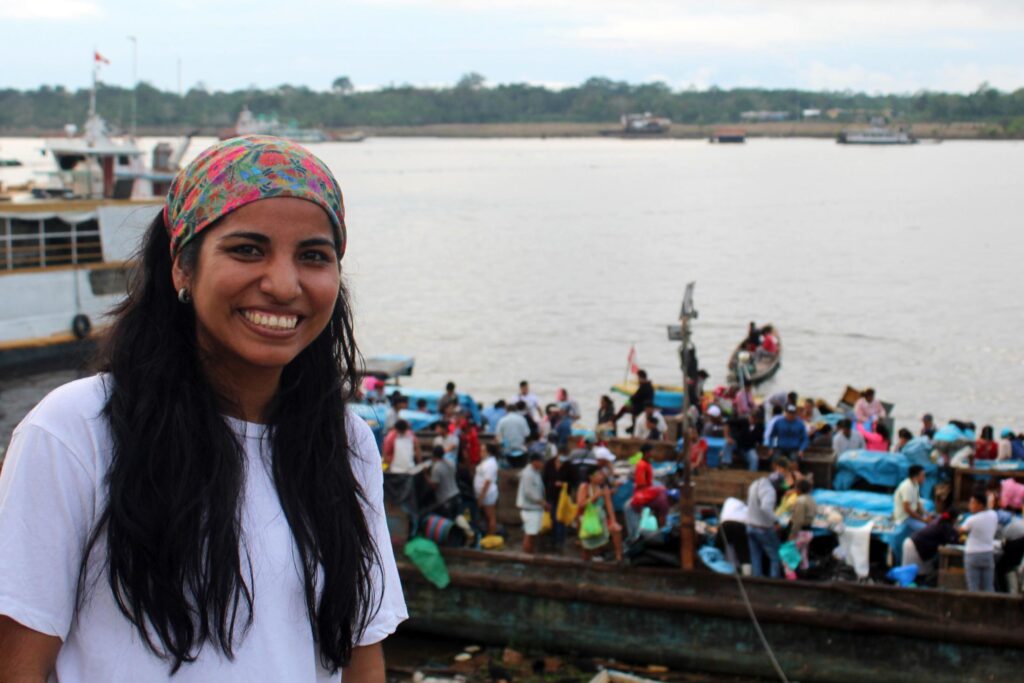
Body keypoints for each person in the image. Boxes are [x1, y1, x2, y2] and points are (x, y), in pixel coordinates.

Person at [0, 136, 405, 681]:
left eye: (313, 256)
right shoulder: (75, 431)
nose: (284, 285)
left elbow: (359, 654)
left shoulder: (346, 441)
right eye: (247, 250)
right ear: (182, 268)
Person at [746, 458, 790, 578]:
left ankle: (757, 579)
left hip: (750, 526)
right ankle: (773, 582)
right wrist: (777, 520)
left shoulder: (756, 483)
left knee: (756, 556)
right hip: (763, 528)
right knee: (775, 556)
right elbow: (766, 508)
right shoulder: (770, 490)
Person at [575, 468, 623, 562]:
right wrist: (594, 497)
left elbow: (609, 506)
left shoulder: (603, 488)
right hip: (587, 518)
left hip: (601, 517)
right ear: (590, 477)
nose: (601, 477)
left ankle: (619, 557)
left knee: (616, 530)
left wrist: (613, 521)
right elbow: (581, 504)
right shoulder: (584, 486)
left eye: (602, 474)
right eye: (598, 474)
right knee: (586, 548)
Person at [958, 492, 998, 592]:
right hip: (988, 554)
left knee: (973, 587)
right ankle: (989, 606)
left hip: (972, 555)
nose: (970, 506)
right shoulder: (993, 515)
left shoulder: (971, 520)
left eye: (972, 503)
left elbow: (961, 530)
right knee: (988, 587)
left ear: (980, 505)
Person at [517, 452, 549, 553]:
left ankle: (529, 552)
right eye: (541, 462)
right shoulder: (528, 474)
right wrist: (542, 502)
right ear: (535, 462)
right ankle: (527, 555)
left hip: (535, 508)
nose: (542, 464)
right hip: (530, 508)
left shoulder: (535, 472)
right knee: (530, 533)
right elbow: (529, 492)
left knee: (533, 533)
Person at [788, 479, 816, 571]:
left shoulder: (800, 501)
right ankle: (804, 577)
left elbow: (798, 521)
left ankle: (792, 579)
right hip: (808, 532)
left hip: (800, 533)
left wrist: (792, 535)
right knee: (803, 556)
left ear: (799, 489)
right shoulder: (811, 499)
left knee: (790, 558)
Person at [893, 465, 931, 533]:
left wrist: (926, 514)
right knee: (926, 529)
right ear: (916, 476)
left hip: (912, 514)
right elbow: (907, 509)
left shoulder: (915, 484)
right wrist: (922, 519)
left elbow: (918, 503)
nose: (924, 478)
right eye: (923, 476)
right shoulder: (907, 487)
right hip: (905, 518)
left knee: (931, 521)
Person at [474, 443, 500, 536]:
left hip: (487, 494)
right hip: (482, 493)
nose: (480, 452)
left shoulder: (490, 464)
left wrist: (481, 497)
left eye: (483, 451)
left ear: (488, 452)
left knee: (490, 516)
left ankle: (491, 536)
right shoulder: (485, 461)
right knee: (486, 516)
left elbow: (487, 483)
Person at [427, 445, 460, 519]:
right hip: (456, 496)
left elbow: (435, 486)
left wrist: (426, 475)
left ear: (434, 455)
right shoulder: (451, 463)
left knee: (447, 525)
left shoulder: (436, 468)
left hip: (446, 501)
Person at [995, 511, 1024, 592]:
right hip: (1016, 543)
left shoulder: (997, 519)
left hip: (1016, 543)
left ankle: (1005, 592)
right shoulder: (1013, 519)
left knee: (1004, 568)